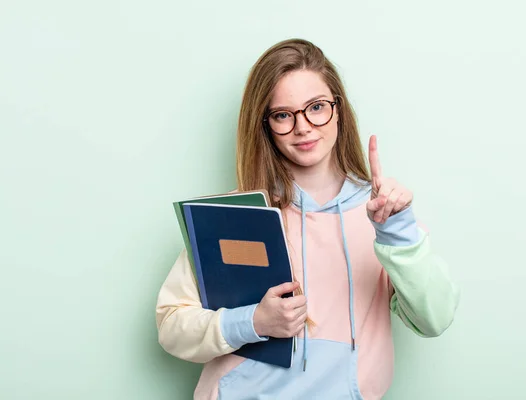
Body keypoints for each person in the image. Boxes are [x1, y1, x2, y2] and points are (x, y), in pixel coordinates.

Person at [156, 38, 460, 400]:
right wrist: (252, 322)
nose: (303, 127)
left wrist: (397, 232)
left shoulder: (383, 214)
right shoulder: (236, 215)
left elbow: (435, 319)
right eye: (283, 115)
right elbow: (172, 326)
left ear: (338, 110)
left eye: (316, 107)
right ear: (265, 125)